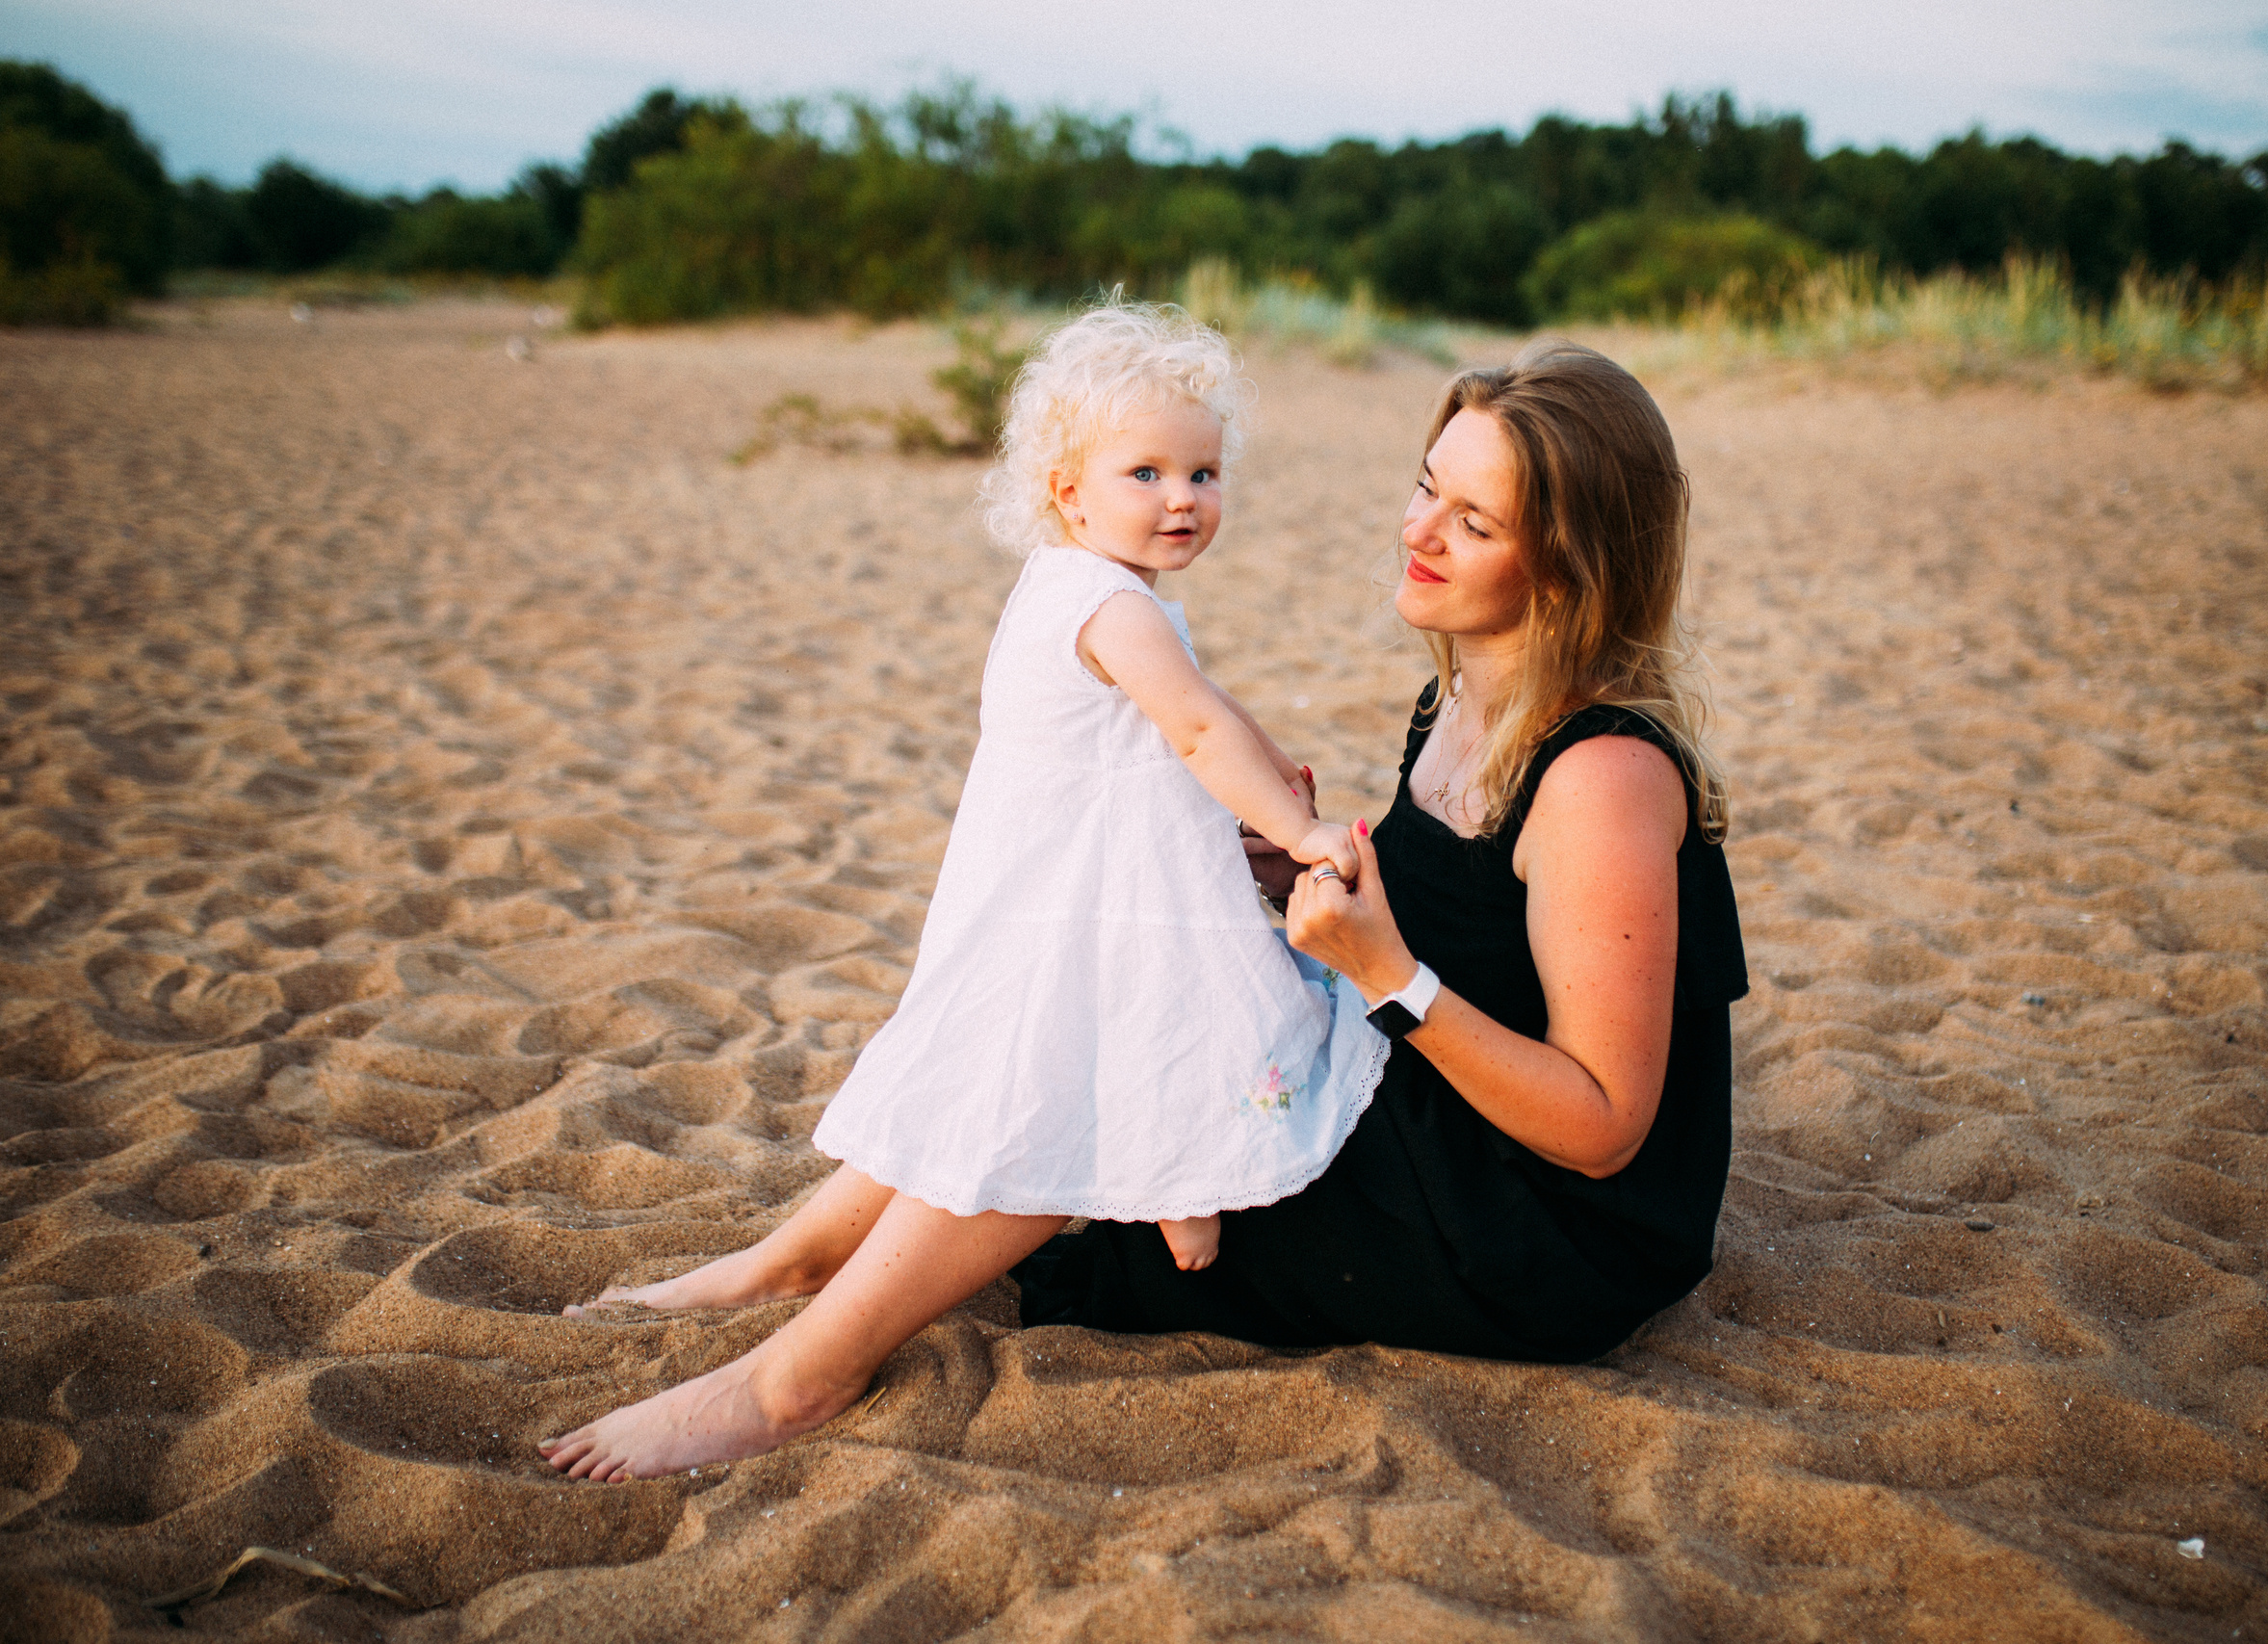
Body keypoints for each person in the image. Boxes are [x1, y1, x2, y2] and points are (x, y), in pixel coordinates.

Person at [539, 302, 1388, 1484]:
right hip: (1089, 897)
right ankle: (1177, 1185)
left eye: (1202, 469)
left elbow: (1203, 710)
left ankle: (805, 1257)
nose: (1182, 495)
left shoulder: (1076, 581)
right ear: (1067, 487)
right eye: (1144, 470)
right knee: (1131, 1039)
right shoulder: (1112, 605)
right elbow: (1193, 723)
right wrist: (1295, 826)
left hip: (1054, 882)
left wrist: (1256, 768)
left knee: (1065, 1047)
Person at [1016, 338, 1750, 1362]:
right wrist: (1300, 878)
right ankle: (820, 1278)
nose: (1419, 533)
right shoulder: (1460, 696)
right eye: (1426, 487)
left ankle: (808, 1359)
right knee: (1115, 1012)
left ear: (1571, 568)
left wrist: (1386, 976)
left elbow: (1602, 1127)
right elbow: (1477, 923)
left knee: (1133, 1222)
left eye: (1474, 523)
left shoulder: (1601, 777)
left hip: (1540, 1228)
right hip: (1436, 1103)